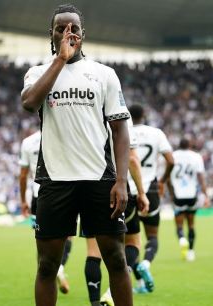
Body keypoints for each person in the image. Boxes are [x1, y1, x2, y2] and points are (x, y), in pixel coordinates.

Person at [21, 4, 132, 306]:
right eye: (61, 29)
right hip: (55, 181)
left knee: (117, 260)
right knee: (46, 266)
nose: (68, 34)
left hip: (99, 180)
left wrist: (122, 180)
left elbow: (121, 130)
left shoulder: (104, 75)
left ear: (84, 35)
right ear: (52, 34)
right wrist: (61, 59)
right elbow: (30, 104)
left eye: (74, 29)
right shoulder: (38, 73)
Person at [81, 118, 149, 306]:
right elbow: (133, 159)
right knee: (132, 243)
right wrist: (142, 192)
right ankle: (112, 292)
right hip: (117, 191)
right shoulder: (121, 118)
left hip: (88, 189)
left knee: (93, 252)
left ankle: (95, 302)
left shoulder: (87, 116)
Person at [19, 130, 72, 294]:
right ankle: (60, 267)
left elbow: (23, 175)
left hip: (39, 194)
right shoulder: (64, 134)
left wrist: (23, 201)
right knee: (67, 235)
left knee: (42, 240)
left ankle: (43, 277)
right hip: (64, 192)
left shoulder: (28, 142)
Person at [128, 104, 174, 293]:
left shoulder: (123, 130)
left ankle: (138, 283)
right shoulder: (156, 133)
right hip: (150, 189)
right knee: (152, 235)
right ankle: (146, 264)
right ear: (145, 116)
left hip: (128, 189)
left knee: (131, 240)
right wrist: (162, 181)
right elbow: (171, 161)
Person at [169, 138, 210, 261]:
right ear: (190, 145)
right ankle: (191, 252)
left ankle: (182, 240)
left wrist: (170, 193)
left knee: (179, 225)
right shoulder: (196, 157)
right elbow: (201, 178)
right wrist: (206, 195)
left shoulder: (173, 156)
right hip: (192, 194)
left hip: (178, 194)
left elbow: (168, 177)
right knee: (191, 224)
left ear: (179, 145)